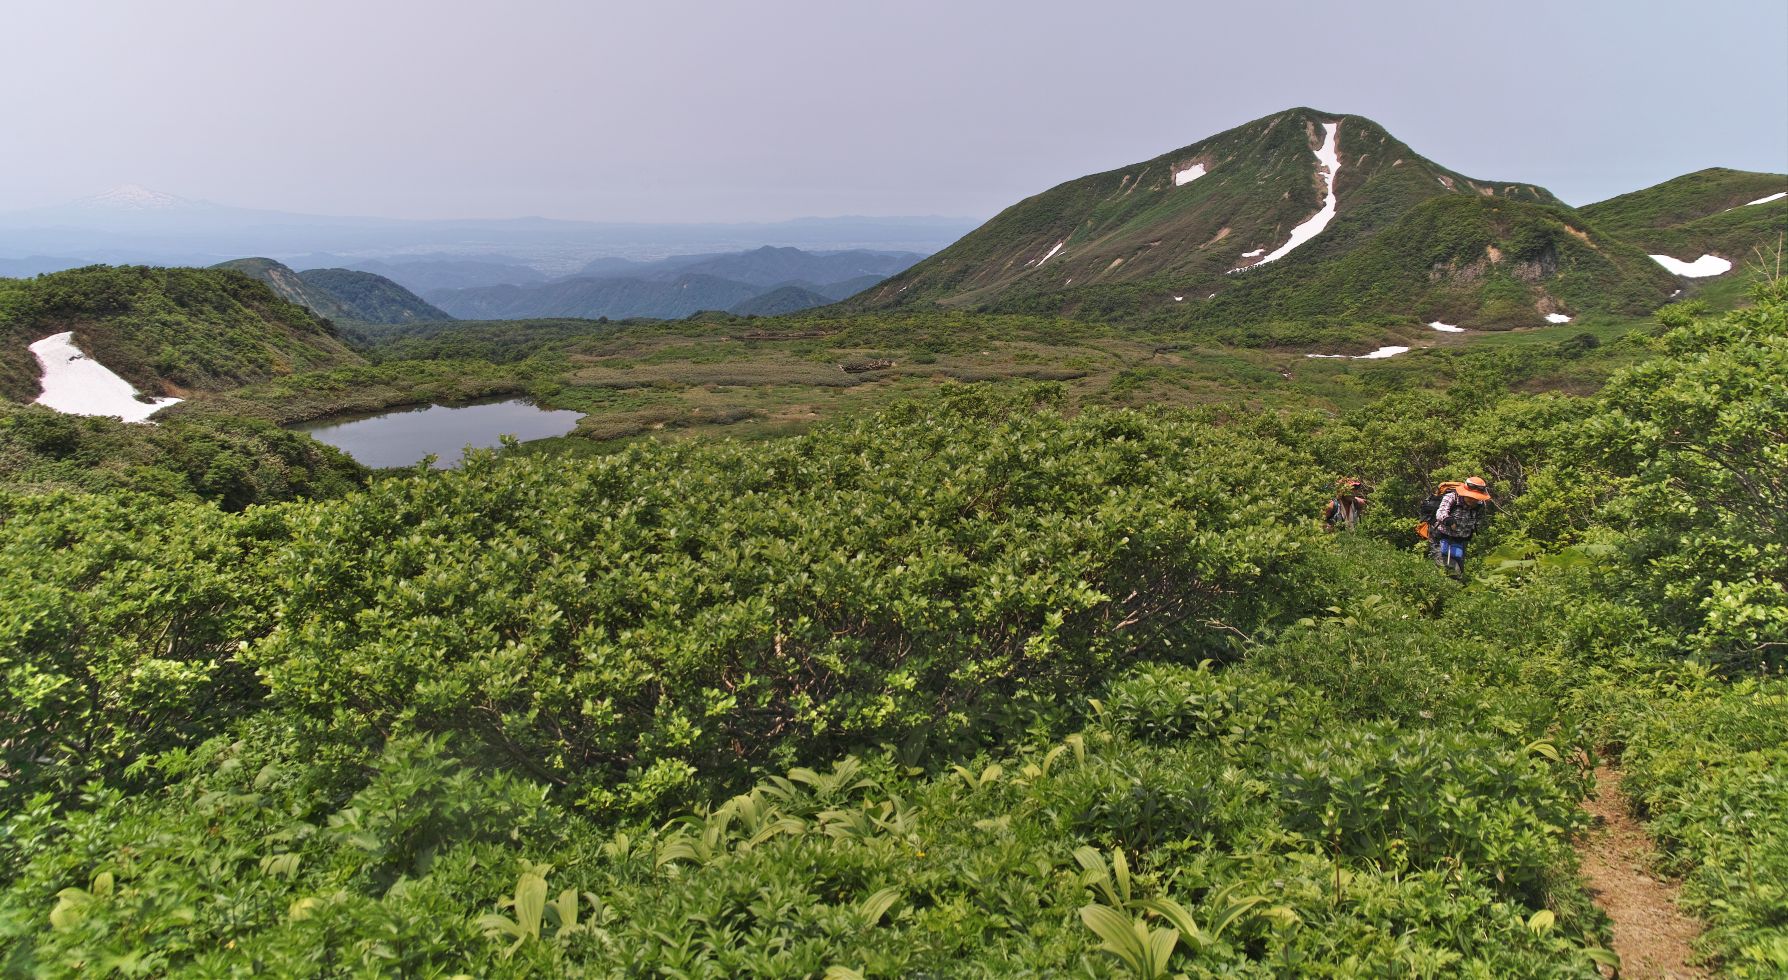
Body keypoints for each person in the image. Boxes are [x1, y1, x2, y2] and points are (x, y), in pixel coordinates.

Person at [1430, 476, 1491, 574]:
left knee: (1458, 568)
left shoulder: (1480, 504)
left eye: (1475, 498)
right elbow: (1440, 513)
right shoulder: (1451, 497)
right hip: (1441, 536)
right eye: (1470, 497)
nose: (1472, 500)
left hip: (1461, 539)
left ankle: (1458, 584)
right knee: (1442, 567)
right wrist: (1449, 520)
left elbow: (1480, 520)